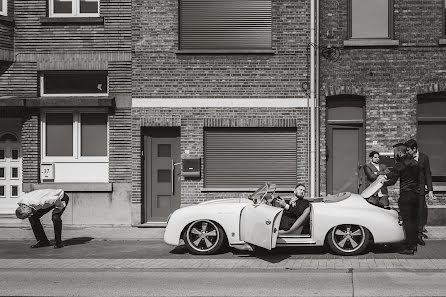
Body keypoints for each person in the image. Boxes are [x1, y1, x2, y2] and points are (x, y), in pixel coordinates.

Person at [383, 143, 420, 255]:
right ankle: (413, 244)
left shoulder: (401, 164)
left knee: (407, 222)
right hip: (416, 195)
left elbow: (392, 179)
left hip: (406, 196)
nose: (394, 155)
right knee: (414, 221)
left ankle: (409, 248)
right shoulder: (415, 163)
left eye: (394, 152)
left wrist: (382, 182)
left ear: (399, 152)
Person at [405, 139, 434, 246]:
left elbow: (428, 174)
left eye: (408, 150)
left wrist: (430, 189)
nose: (407, 152)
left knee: (420, 213)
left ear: (414, 149)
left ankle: (419, 235)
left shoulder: (424, 158)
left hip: (420, 191)